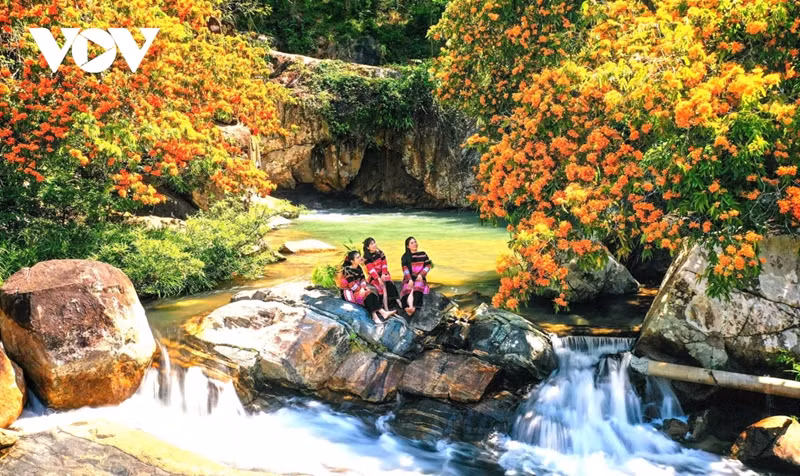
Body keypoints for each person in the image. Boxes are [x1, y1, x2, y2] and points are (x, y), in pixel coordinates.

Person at [340, 250, 396, 325]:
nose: (360, 258)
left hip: (359, 288)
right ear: (352, 261)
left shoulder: (359, 267)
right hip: (349, 292)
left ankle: (383, 313)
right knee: (366, 296)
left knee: (371, 293)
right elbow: (351, 285)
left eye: (360, 256)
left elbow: (363, 279)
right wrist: (360, 290)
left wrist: (363, 287)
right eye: (358, 257)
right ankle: (375, 317)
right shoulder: (347, 270)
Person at [363, 237, 402, 312]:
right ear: (368, 247)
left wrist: (384, 273)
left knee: (389, 283)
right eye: (372, 244)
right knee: (382, 288)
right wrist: (378, 278)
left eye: (374, 243)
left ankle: (397, 300)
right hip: (374, 277)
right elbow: (371, 270)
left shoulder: (380, 253)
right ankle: (386, 307)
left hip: (383, 273)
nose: (374, 245)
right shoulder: (366, 258)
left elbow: (384, 264)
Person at [400, 236, 432, 316]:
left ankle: (413, 307)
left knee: (417, 286)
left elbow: (428, 265)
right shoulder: (405, 256)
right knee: (408, 289)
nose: (415, 244)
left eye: (415, 242)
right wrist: (410, 279)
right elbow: (405, 269)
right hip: (409, 278)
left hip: (420, 277)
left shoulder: (423, 254)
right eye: (412, 243)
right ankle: (408, 307)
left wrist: (421, 274)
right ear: (408, 246)